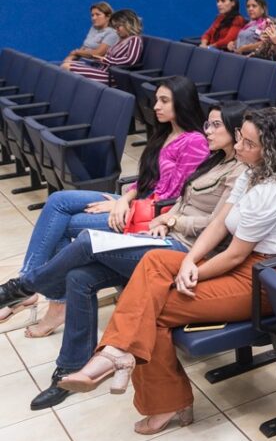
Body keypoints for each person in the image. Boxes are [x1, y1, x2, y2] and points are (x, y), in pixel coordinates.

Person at [57, 108, 276, 436]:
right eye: (240, 138)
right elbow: (219, 224)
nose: (239, 146)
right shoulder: (251, 170)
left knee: (153, 308)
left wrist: (194, 273)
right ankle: (117, 355)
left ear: (270, 150)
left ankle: (143, 381)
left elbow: (234, 255)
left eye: (248, 142)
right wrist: (190, 261)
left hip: (264, 278)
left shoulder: (274, 189)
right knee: (153, 264)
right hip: (238, 263)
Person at [0, 103, 247, 410]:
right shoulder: (214, 161)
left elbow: (216, 226)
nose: (207, 131)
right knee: (79, 277)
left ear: (236, 132)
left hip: (187, 253)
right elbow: (183, 201)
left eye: (215, 126)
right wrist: (162, 219)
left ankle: (21, 288)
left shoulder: (240, 172)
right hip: (164, 238)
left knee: (89, 240)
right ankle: (70, 368)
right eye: (207, 124)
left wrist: (172, 221)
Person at [1, 76, 208, 337]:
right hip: (136, 203)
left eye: (164, 101)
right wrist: (121, 200)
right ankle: (29, 282)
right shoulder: (165, 133)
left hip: (153, 215)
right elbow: (146, 181)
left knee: (63, 226)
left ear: (183, 103)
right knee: (58, 201)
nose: (156, 106)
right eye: (156, 99)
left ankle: (43, 296)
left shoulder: (194, 142)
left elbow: (175, 195)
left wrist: (126, 207)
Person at [64, 8, 145, 83]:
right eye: (115, 27)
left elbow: (130, 61)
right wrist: (101, 59)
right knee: (67, 63)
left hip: (112, 77)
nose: (116, 30)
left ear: (128, 24)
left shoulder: (135, 39)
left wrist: (106, 60)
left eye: (118, 27)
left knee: (67, 67)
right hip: (101, 70)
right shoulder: (121, 40)